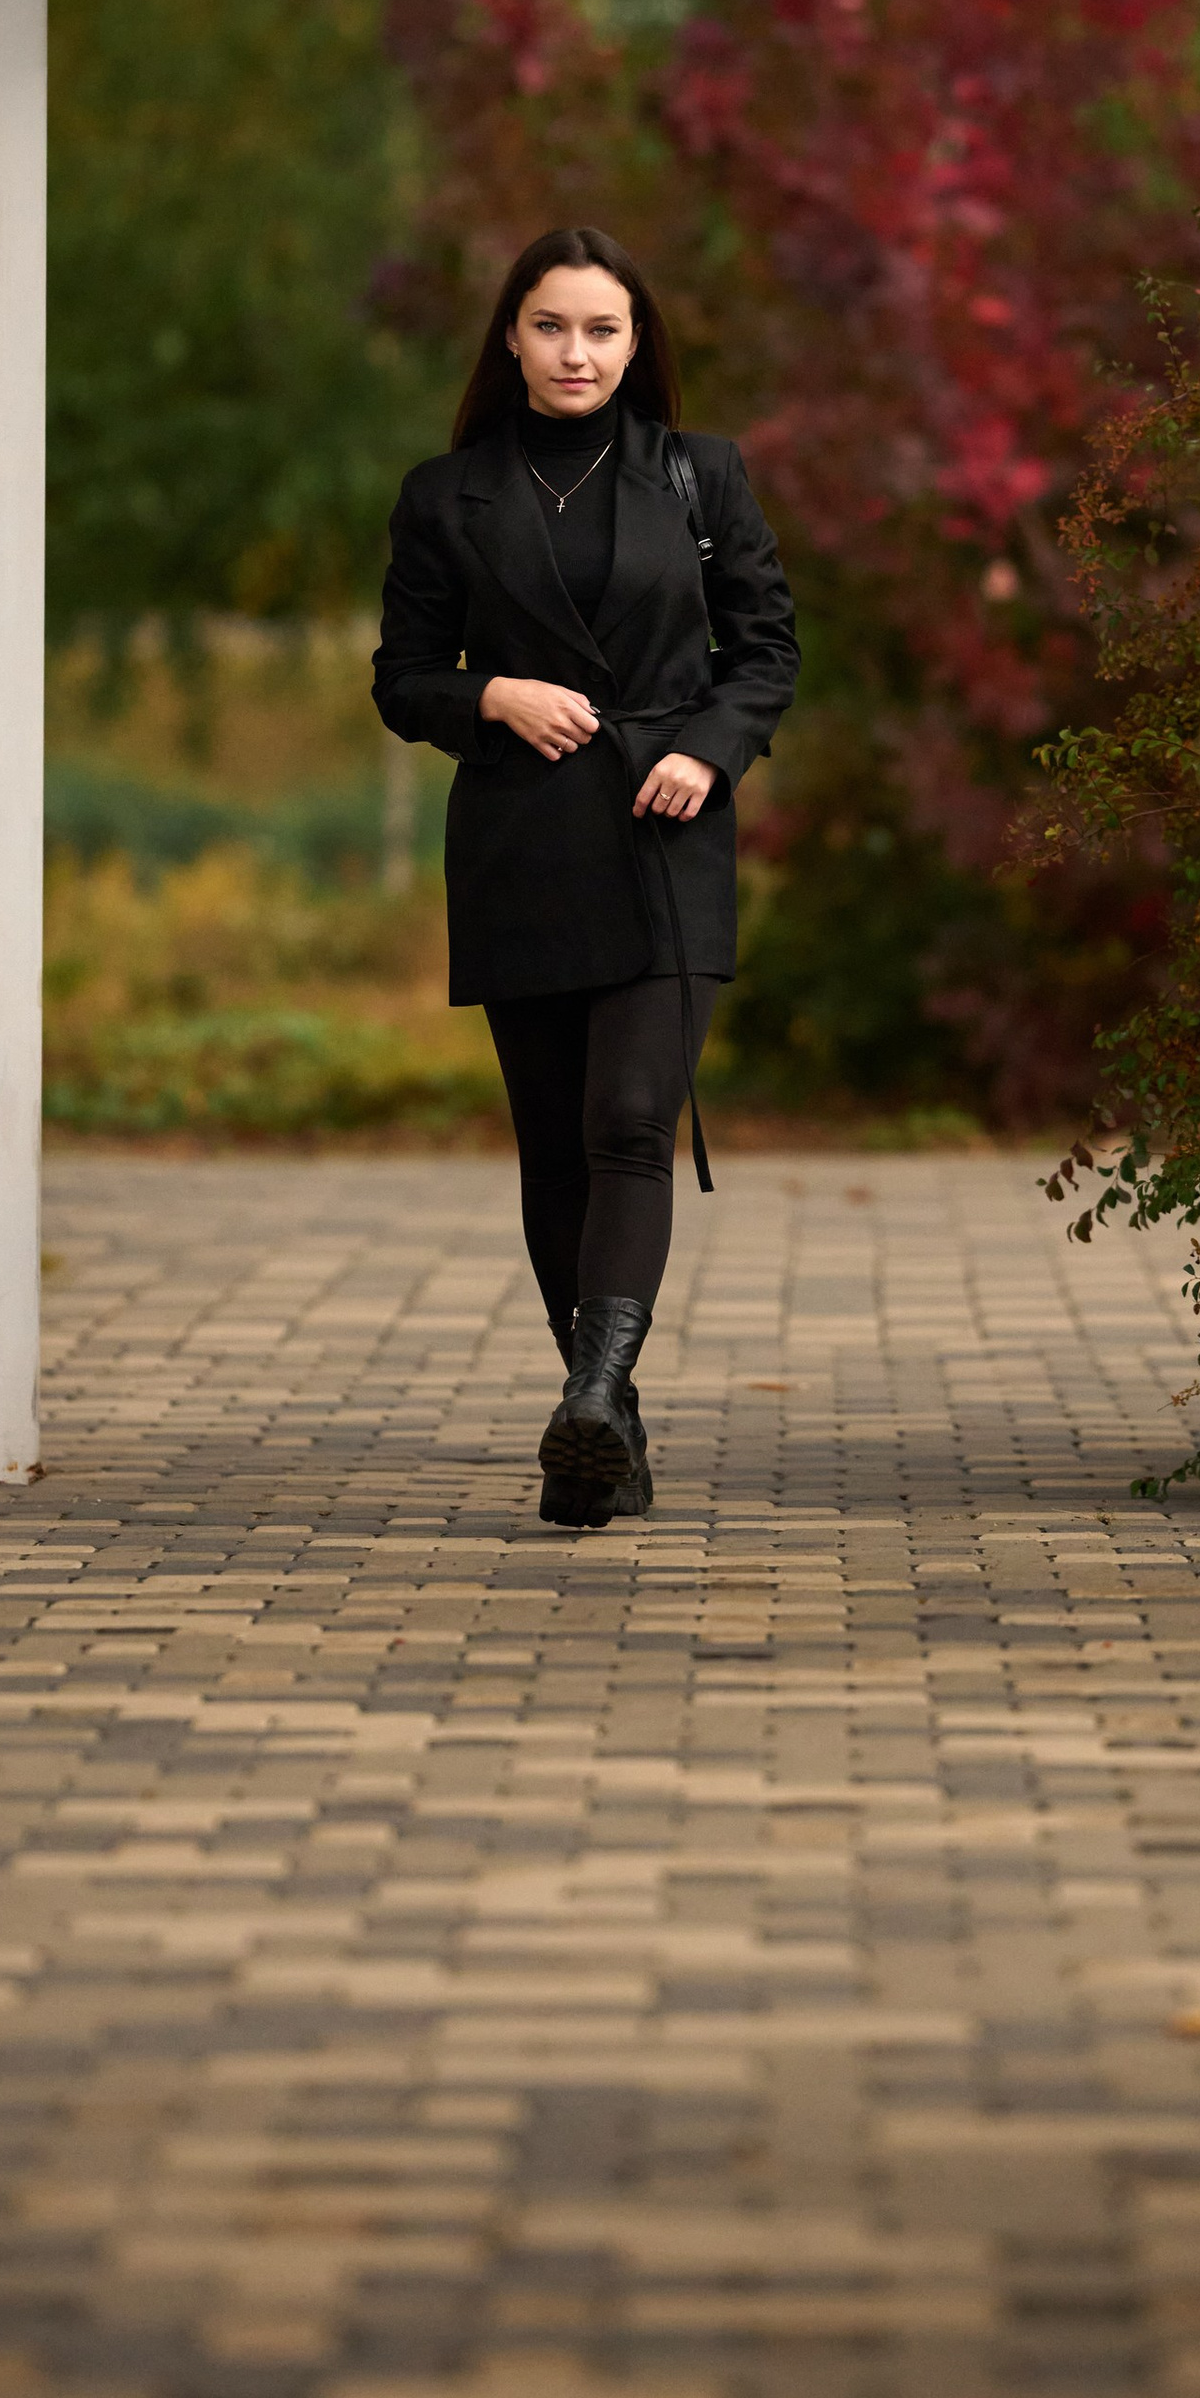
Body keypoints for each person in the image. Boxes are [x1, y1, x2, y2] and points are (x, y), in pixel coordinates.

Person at [372, 227, 799, 1529]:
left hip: (667, 841)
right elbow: (402, 683)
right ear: (512, 335)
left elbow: (766, 654)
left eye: (602, 330)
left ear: (635, 343)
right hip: (522, 845)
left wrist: (713, 756)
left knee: (627, 1120)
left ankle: (595, 1396)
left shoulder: (699, 478)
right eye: (552, 327)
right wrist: (489, 693)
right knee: (557, 1148)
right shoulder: (448, 496)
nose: (577, 352)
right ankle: (600, 1419)